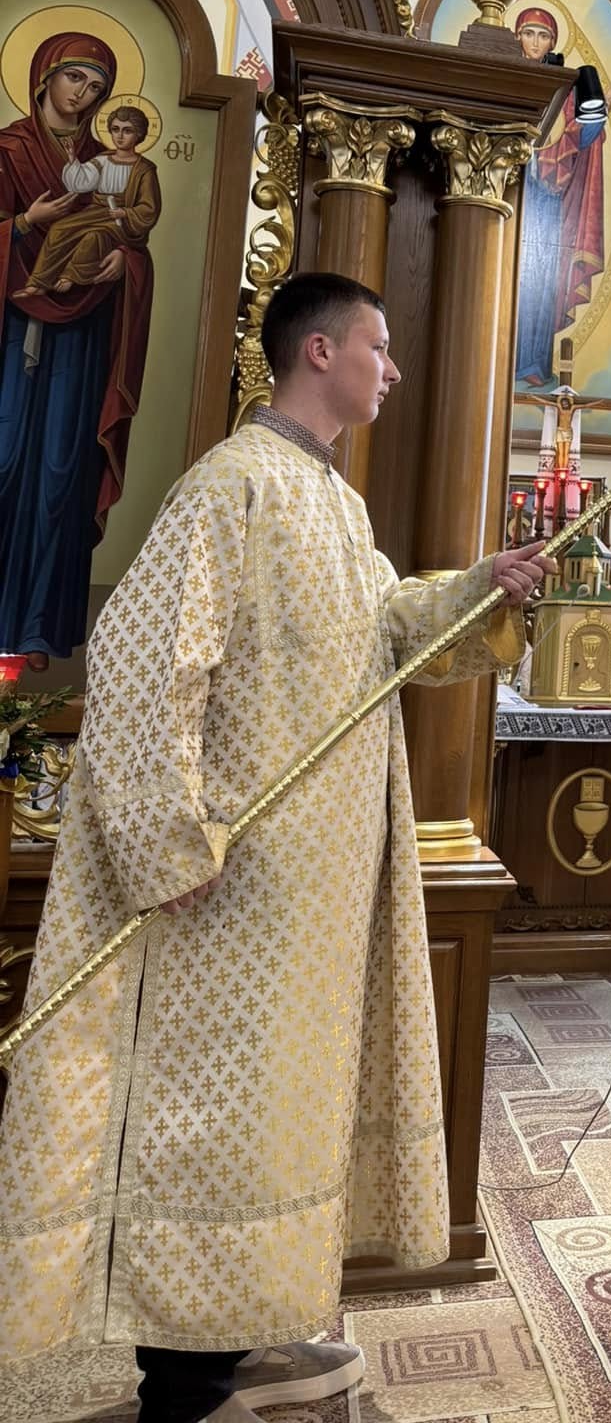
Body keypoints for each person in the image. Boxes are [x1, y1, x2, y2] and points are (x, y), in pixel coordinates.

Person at [0, 272, 551, 1422]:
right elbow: (145, 667)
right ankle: (183, 1384)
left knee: (269, 1133)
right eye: (378, 345)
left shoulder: (336, 500)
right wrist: (170, 840)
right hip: (228, 894)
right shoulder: (229, 486)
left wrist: (481, 589)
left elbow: (391, 631)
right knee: (205, 1134)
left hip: (311, 899)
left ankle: (239, 1329)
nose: (393, 367)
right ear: (319, 351)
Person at [0, 32, 154, 659]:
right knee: (5, 460)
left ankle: (36, 629)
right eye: (74, 78)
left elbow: (135, 235)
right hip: (10, 330)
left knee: (61, 473)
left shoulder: (107, 160)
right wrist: (24, 224)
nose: (82, 95)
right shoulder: (7, 150)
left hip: (81, 336)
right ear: (44, 76)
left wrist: (125, 262)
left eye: (96, 87)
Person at [512, 5, 611, 387]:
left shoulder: (566, 92)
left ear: (553, 42)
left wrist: (603, 106)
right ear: (517, 37)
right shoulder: (505, 79)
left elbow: (580, 136)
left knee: (540, 277)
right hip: (507, 193)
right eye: (528, 33)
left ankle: (531, 364)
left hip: (546, 201)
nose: (535, 42)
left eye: (543, 35)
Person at [16, 102, 160, 300]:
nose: (119, 136)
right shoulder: (103, 159)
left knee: (94, 236)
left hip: (122, 221)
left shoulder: (144, 169)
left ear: (139, 134)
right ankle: (38, 282)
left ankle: (70, 275)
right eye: (115, 129)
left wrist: (125, 212)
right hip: (96, 211)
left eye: (127, 131)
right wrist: (73, 160)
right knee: (59, 228)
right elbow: (81, 182)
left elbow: (149, 208)